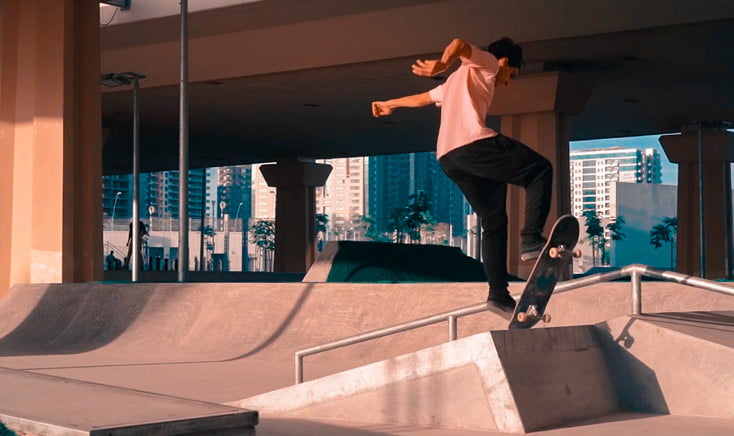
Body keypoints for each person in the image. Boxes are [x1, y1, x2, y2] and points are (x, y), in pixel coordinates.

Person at [371, 37, 552, 312]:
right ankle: (531, 239)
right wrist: (441, 63)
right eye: (511, 74)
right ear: (505, 62)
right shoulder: (490, 64)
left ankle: (498, 294)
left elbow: (423, 99)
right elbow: (459, 44)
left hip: (450, 158)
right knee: (540, 169)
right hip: (474, 145)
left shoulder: (454, 81)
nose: (507, 82)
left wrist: (390, 103)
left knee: (493, 221)